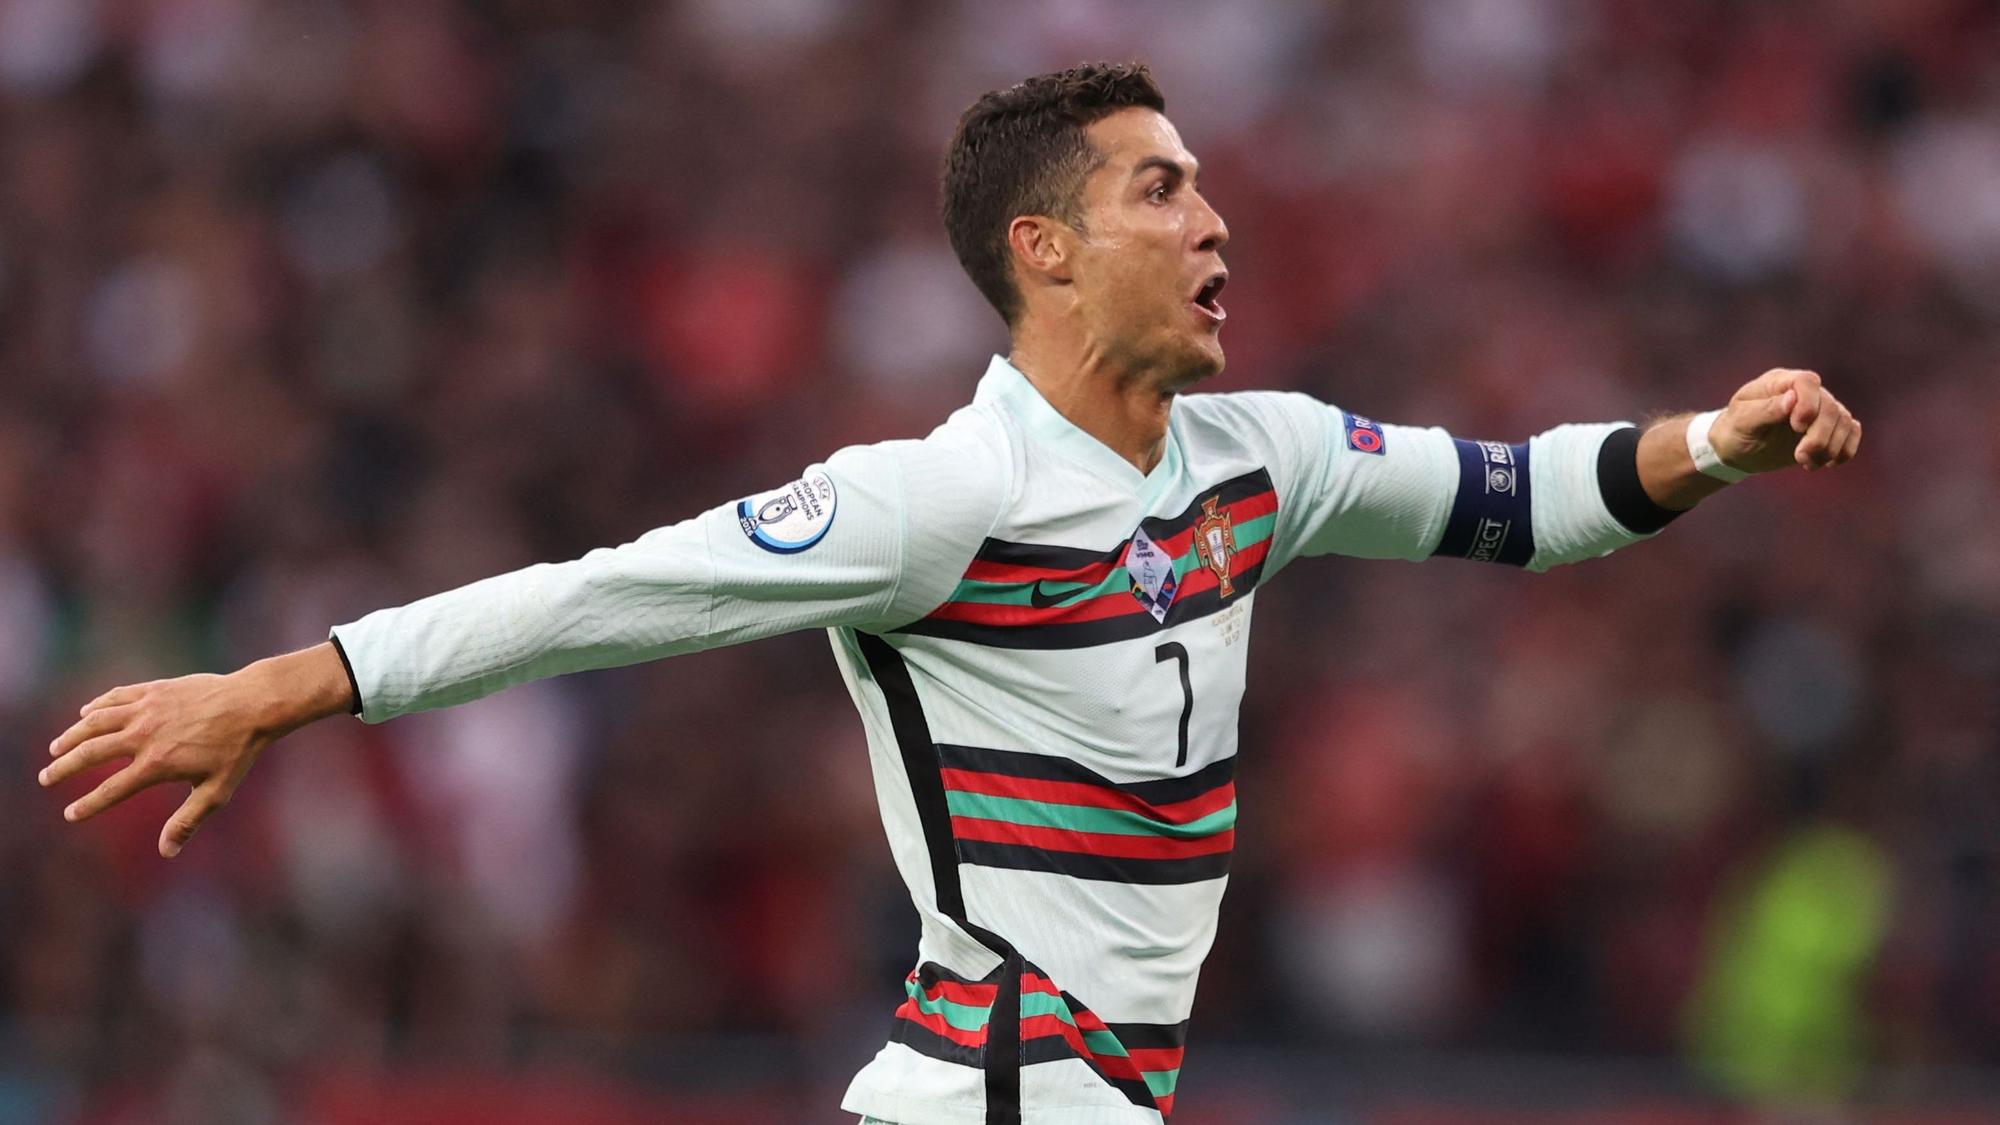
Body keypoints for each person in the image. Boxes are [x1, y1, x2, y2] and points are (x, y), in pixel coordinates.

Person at [39, 62, 1859, 1124]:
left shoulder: (1265, 455)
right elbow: (599, 595)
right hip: (989, 1090)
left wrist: (1716, 435)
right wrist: (281, 684)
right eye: (1162, 189)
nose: (1216, 221)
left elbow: (1517, 500)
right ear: (1043, 251)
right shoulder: (935, 500)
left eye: (1209, 182)